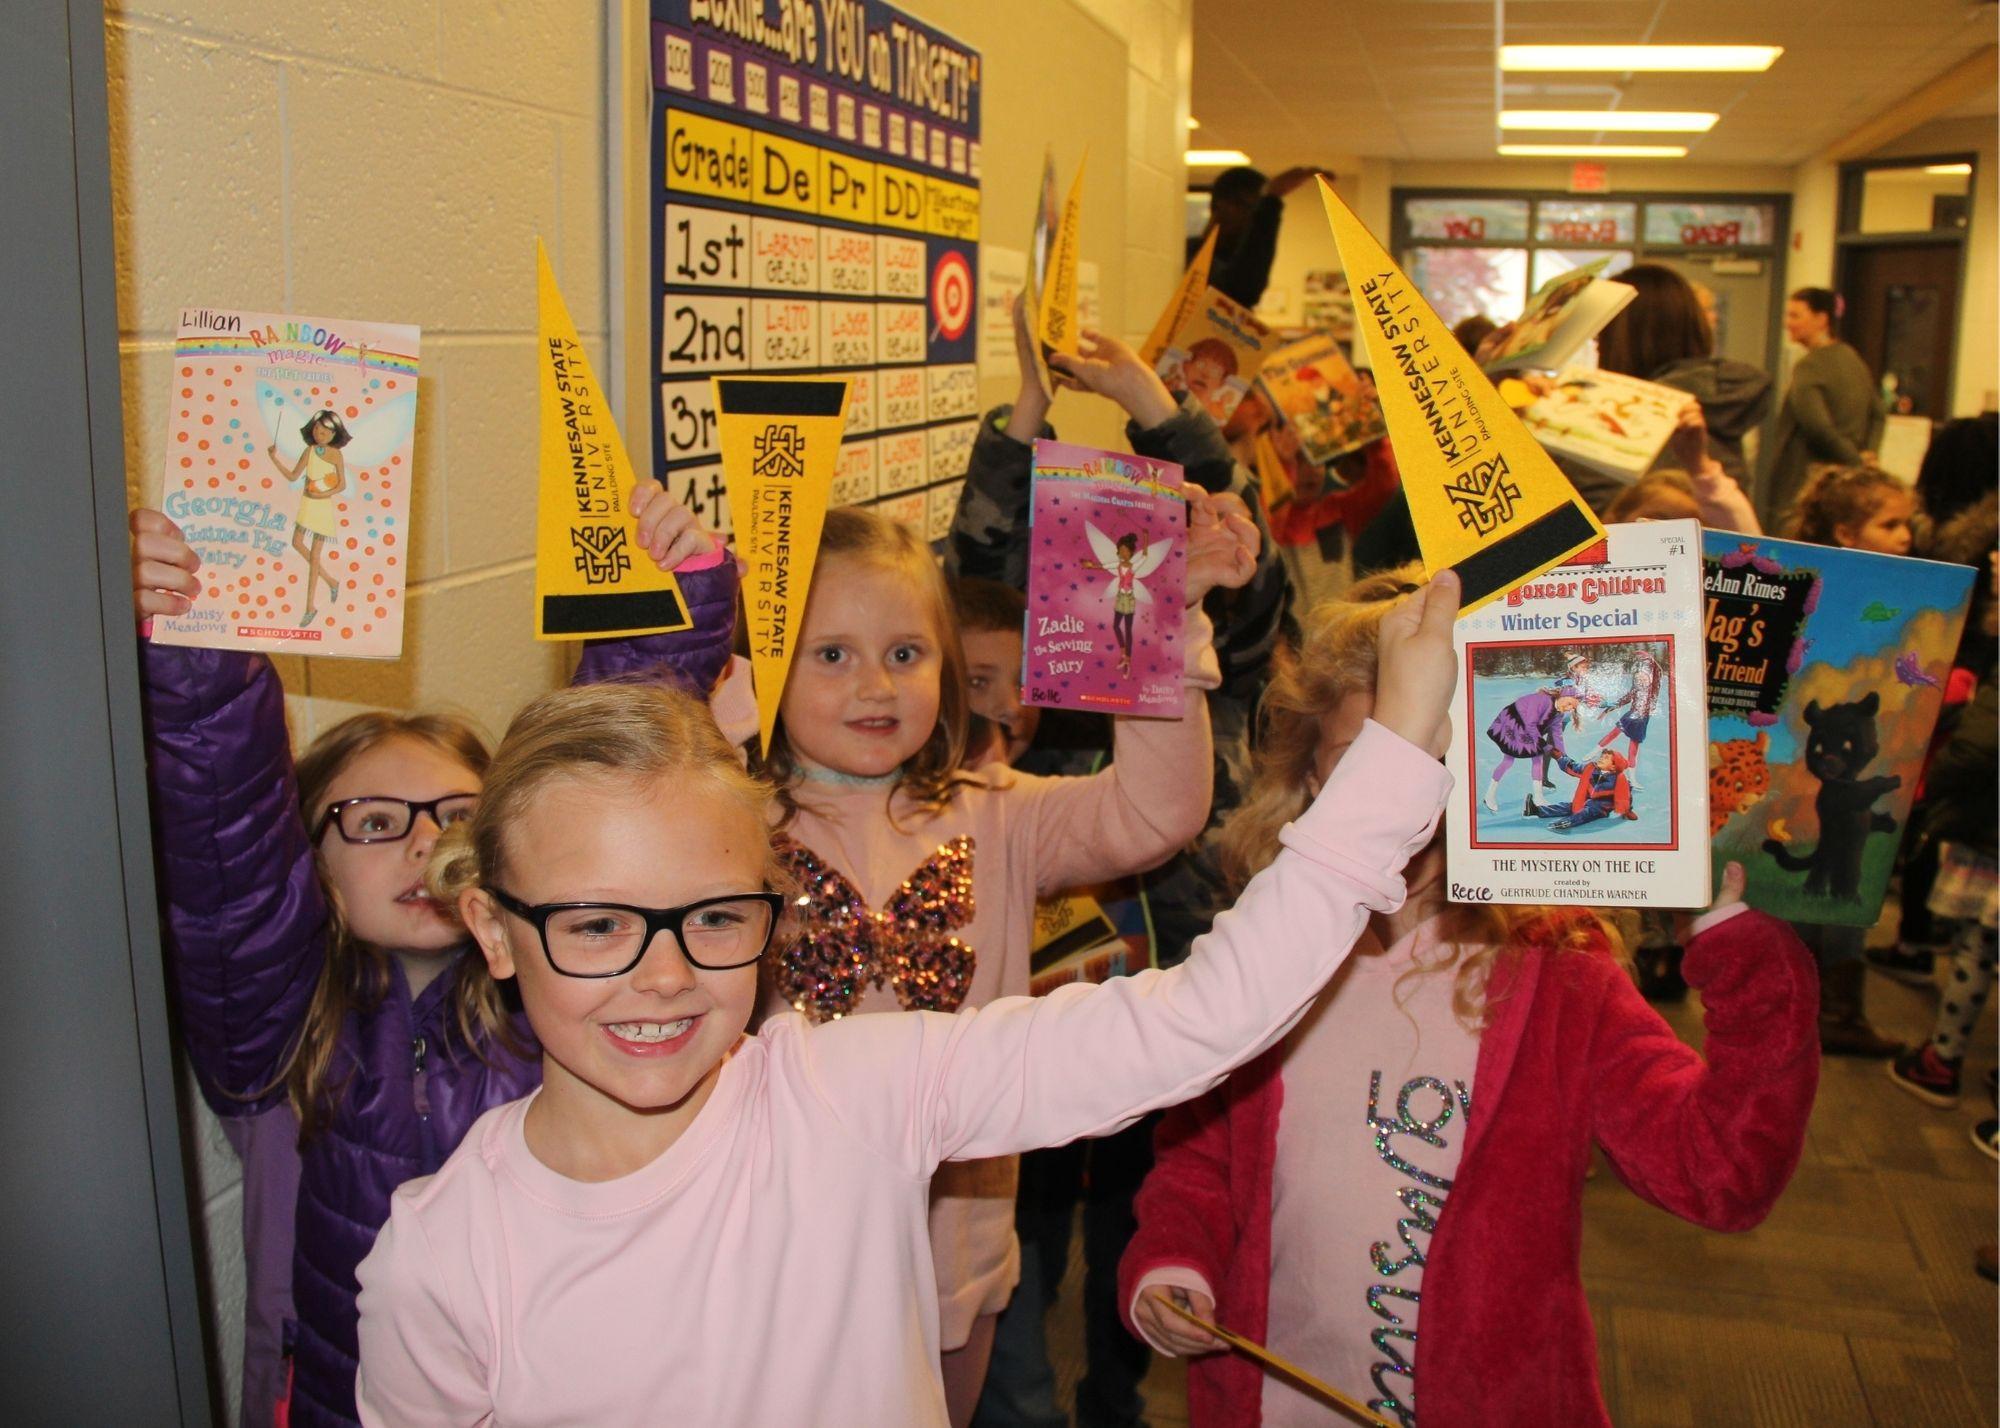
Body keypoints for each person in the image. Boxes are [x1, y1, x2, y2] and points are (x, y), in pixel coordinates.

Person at [350, 574, 1465, 1425]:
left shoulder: (850, 1093)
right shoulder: (444, 1262)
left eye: (715, 918)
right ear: (494, 930)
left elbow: (1197, 1018)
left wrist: (1393, 756)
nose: (664, 976)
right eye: (595, 925)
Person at [584, 452, 1256, 1424]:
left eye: (905, 653)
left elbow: (1154, 814)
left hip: (953, 1249)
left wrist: (1152, 619)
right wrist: (683, 672)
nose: (874, 683)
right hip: (770, 1251)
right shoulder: (725, 808)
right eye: (830, 654)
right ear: (766, 659)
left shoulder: (997, 811)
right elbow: (604, 816)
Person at [1117, 573, 1820, 1428]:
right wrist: (1173, 1264)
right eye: (1371, 766)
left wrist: (1746, 952)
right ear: (1305, 781)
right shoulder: (1265, 956)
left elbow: (1720, 1173)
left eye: (1438, 768)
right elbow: (1203, 1158)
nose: (1406, 806)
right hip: (1279, 1395)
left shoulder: (1558, 977)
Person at [129, 507, 738, 1428]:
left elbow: (591, 790)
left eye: (456, 816)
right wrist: (194, 641)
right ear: (310, 863)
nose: (423, 844)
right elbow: (227, 843)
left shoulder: (556, 1008)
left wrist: (671, 603)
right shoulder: (277, 1029)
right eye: (374, 822)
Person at [951, 300, 1293, 1427]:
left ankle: (1115, 1399)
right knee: (1030, 1224)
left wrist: (1154, 407)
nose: (1125, 572)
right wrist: (1027, 415)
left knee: (1146, 1220)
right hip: (1044, 1006)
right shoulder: (1037, 711)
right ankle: (1033, 1397)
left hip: (1179, 983)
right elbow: (977, 578)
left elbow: (1248, 575)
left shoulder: (1211, 671)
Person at [1780, 465, 1918, 1056]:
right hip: (1817, 745)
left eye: (1908, 523)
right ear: (1845, 530)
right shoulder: (1815, 581)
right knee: (1829, 875)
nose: (1906, 535)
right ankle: (1820, 1004)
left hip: (1872, 740)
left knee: (1849, 868)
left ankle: (1829, 1002)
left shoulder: (1912, 586)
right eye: (1891, 523)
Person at [1596, 263, 1772, 487]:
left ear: (1629, 337)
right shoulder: (1714, 400)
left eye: (1604, 331)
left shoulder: (1647, 419)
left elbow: (1582, 512)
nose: (1596, 343)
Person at [1760, 287, 1886, 530]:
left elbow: (1817, 426)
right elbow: (1879, 414)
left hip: (1805, 480)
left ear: (1822, 319)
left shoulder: (1810, 365)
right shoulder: (1853, 358)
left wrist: (1856, 460)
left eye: (1796, 316)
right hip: (1845, 482)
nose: (1787, 323)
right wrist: (1868, 454)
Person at [1190, 165, 1324, 310]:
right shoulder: (1190, 256)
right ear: (1224, 205)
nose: (1252, 220)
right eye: (1251, 208)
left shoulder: (1232, 258)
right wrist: (1271, 201)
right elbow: (1242, 292)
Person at [1479, 683, 1585, 815]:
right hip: (1514, 722)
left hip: (1530, 728)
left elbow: (1557, 735)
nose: (1569, 709)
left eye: (1572, 708)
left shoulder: (1558, 714)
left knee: (1537, 758)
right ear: (1563, 696)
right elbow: (1530, 724)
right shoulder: (1542, 700)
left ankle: (1538, 797)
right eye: (1569, 704)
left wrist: (1563, 756)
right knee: (1508, 760)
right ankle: (1489, 794)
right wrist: (1544, 744)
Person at [1525, 747, 1638, 830]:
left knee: (1586, 812)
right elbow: (1573, 766)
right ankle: (1536, 810)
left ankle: (1567, 822)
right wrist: (1559, 757)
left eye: (1606, 758)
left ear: (1613, 766)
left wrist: (1627, 811)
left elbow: (1626, 797)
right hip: (1585, 801)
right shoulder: (1591, 769)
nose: (1601, 758)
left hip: (1600, 808)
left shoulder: (1619, 780)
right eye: (1602, 756)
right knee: (1568, 806)